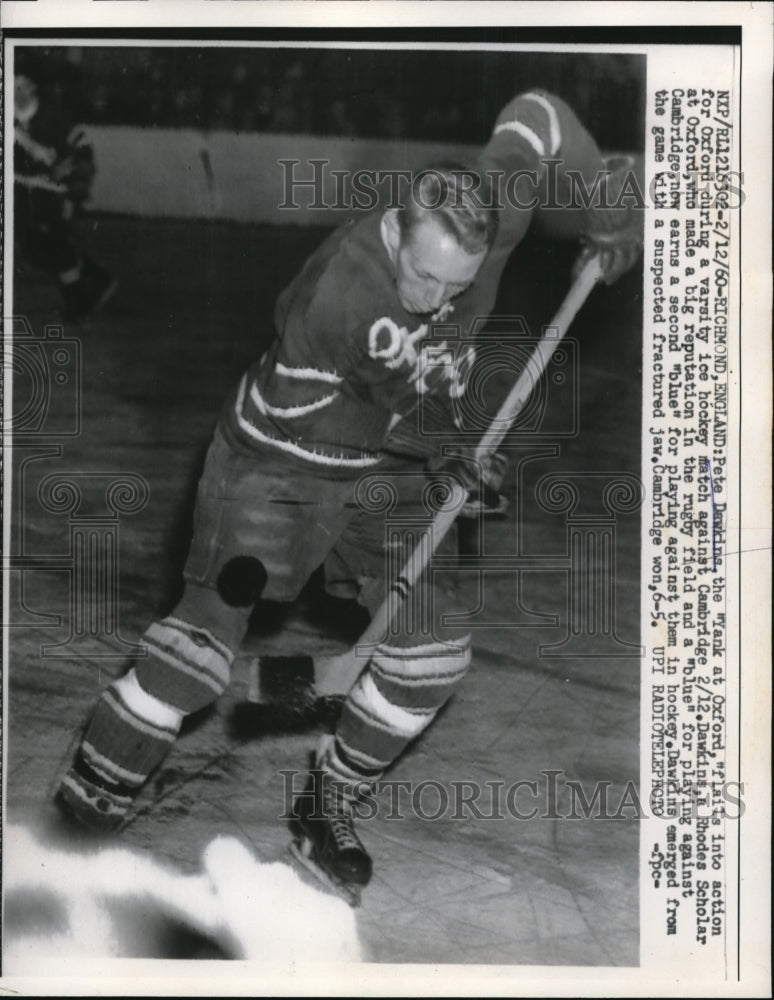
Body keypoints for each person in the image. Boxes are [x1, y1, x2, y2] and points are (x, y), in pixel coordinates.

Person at [57, 90, 642, 896]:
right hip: (276, 468)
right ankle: (93, 787)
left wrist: (610, 213)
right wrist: (448, 453)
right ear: (397, 229)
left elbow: (538, 117)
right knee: (201, 649)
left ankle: (325, 807)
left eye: (458, 285)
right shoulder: (335, 297)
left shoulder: (487, 211)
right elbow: (337, 431)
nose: (438, 302)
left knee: (430, 653)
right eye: (426, 278)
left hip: (382, 469)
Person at [14, 69, 117, 321]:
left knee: (52, 244)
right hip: (26, 189)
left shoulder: (52, 115)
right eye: (12, 84)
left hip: (54, 191)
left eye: (23, 84)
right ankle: (97, 277)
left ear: (33, 87)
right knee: (32, 249)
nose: (17, 90)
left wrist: (77, 172)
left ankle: (78, 300)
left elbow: (82, 145)